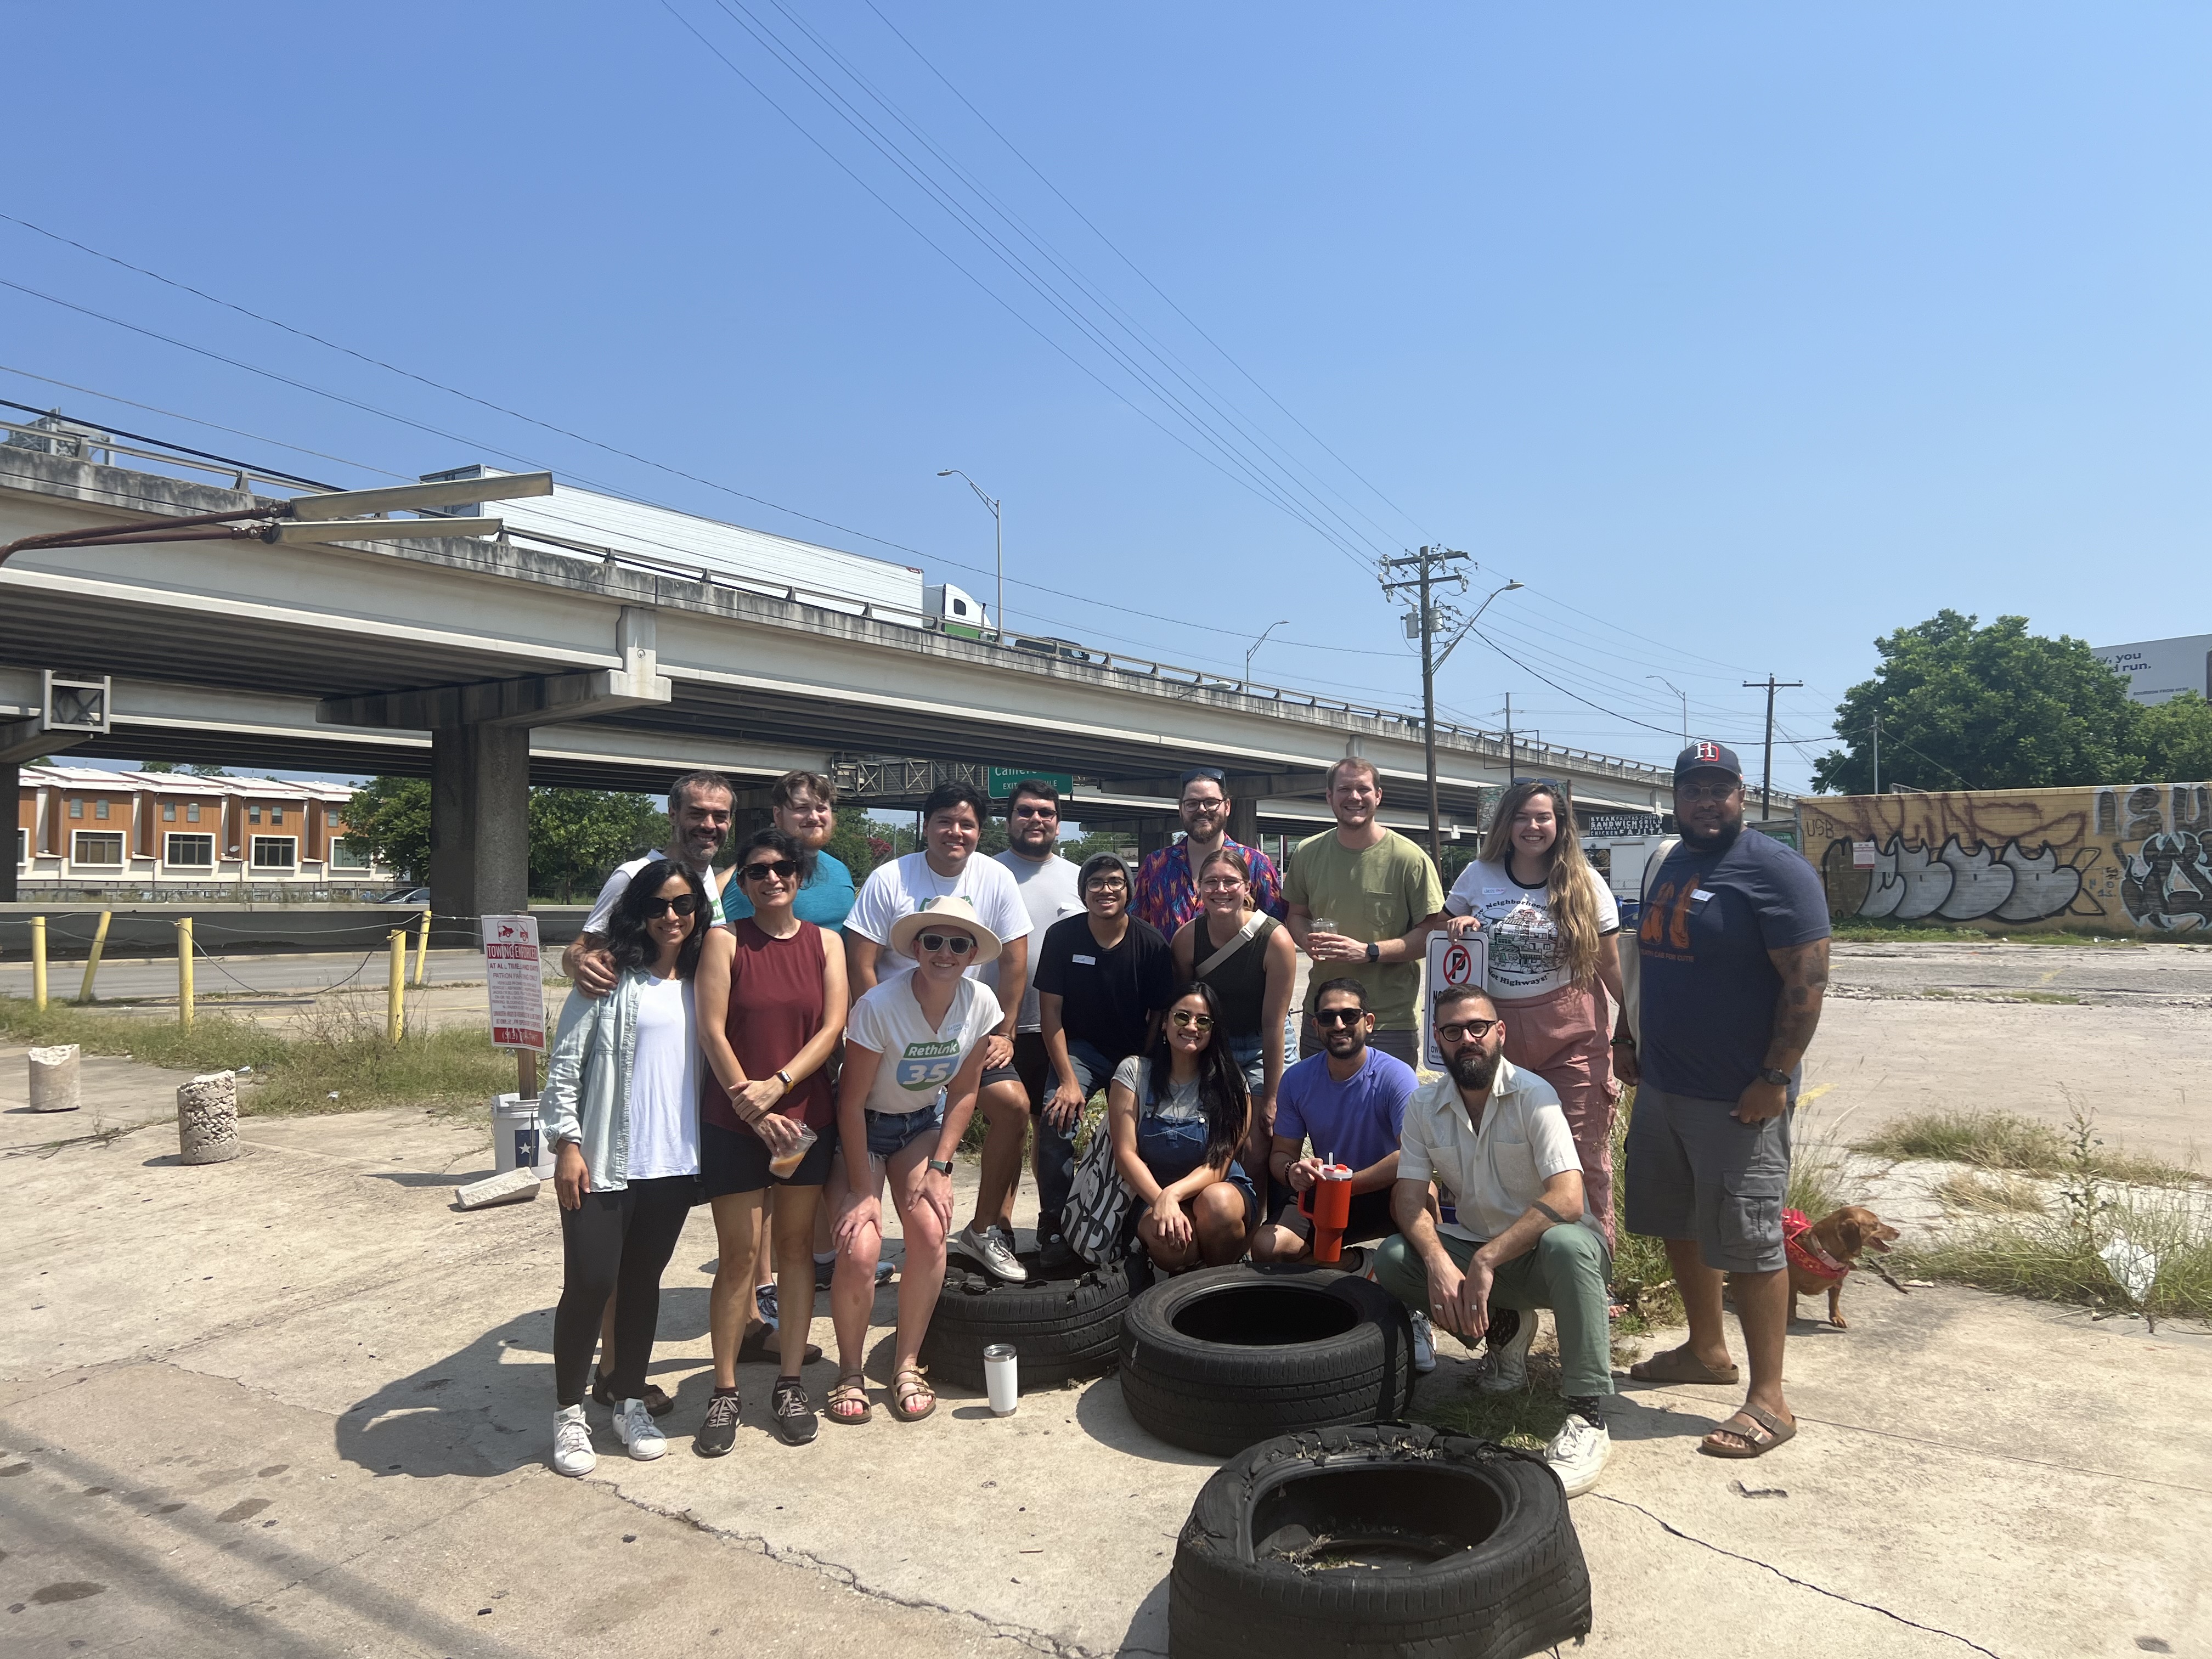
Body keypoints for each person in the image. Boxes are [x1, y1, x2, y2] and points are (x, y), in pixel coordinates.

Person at [1622, 742, 1831, 1462]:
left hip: (1741, 1097)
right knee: (1680, 1220)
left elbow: (1808, 984)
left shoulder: (1778, 872)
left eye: (1722, 788)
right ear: (1675, 797)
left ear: (1743, 795)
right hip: (1667, 1084)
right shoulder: (1667, 861)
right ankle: (1707, 1350)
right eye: (1694, 789)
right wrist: (1627, 1034)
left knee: (1749, 1238)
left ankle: (1770, 1399)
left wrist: (1774, 1077)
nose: (1707, 801)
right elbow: (1645, 957)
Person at [1375, 984, 1614, 1497]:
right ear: (1436, 1040)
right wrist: (1439, 1260)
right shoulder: (1423, 1106)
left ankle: (1587, 1416)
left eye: (1478, 1027)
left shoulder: (1534, 1095)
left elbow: (1570, 1198)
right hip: (1479, 1250)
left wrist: (1486, 1258)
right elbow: (1408, 1201)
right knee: (1396, 1259)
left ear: (1499, 1033)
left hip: (1549, 1255)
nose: (1468, 1039)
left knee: (1567, 1245)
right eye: (1454, 1031)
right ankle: (1506, 1327)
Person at [542, 861, 710, 1477]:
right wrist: (567, 1144)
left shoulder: (702, 980)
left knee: (643, 1286)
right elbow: (565, 1065)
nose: (673, 917)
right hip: (604, 1162)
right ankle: (567, 1414)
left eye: (684, 905)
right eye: (659, 906)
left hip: (672, 1163)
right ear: (638, 912)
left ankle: (630, 1401)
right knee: (590, 1284)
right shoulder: (609, 978)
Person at [692, 827, 849, 1454]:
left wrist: (780, 1084)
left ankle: (789, 1382)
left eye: (784, 868)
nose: (772, 878)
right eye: (758, 871)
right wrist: (748, 1102)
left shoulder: (827, 944)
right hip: (734, 1119)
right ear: (745, 882)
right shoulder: (724, 941)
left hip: (808, 1114)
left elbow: (833, 1024)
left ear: (800, 876)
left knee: (793, 1253)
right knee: (738, 1255)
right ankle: (725, 1390)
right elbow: (711, 1028)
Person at [844, 781, 1034, 1283]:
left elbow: (1015, 958)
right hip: (889, 1034)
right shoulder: (890, 878)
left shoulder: (995, 878)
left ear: (979, 831)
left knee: (1014, 1105)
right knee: (854, 1114)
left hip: (963, 1030)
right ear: (925, 827)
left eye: (968, 824)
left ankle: (985, 1228)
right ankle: (840, 1234)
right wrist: (888, 1027)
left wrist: (1005, 1032)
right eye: (945, 821)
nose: (956, 832)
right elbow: (861, 962)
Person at [827, 897, 1007, 1425]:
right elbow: (850, 1102)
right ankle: (850, 1370)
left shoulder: (981, 1003)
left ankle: (907, 1364)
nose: (945, 953)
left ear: (973, 953)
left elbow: (966, 1090)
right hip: (863, 1127)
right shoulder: (879, 1005)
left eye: (958, 943)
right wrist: (864, 1191)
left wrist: (941, 1169)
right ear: (916, 947)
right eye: (933, 941)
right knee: (861, 1248)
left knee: (930, 1231)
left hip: (918, 1128)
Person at [1443, 779, 1628, 1246]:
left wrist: (1638, 1027)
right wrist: (1458, 927)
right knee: (1507, 1157)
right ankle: (1517, 1261)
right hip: (1496, 1038)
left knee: (1584, 1156)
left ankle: (1594, 1267)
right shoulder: (1477, 875)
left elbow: (1610, 966)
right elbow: (1443, 946)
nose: (1533, 826)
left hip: (1571, 1036)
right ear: (1506, 824)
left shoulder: (1586, 881)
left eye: (1543, 817)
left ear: (1560, 825)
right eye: (1523, 817)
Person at [1035, 853, 1176, 1269]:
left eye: (1115, 882)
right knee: (1055, 1118)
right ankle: (1055, 1221)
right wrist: (1067, 1080)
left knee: (1141, 1130)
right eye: (1095, 882)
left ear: (1129, 890)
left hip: (1133, 1054)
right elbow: (1050, 1016)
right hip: (1080, 1049)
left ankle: (1132, 1218)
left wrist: (1144, 1066)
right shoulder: (1062, 937)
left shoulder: (1151, 943)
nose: (1106, 889)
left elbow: (1158, 1016)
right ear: (1083, 893)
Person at [1283, 758, 1447, 1065]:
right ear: (1330, 797)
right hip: (1323, 1014)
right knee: (1320, 1109)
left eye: (1363, 789)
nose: (1354, 797)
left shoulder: (1409, 858)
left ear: (1378, 796)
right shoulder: (1308, 852)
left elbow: (1431, 934)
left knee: (1388, 1112)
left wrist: (1369, 951)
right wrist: (1306, 938)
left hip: (1388, 1020)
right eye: (1344, 789)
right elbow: (1297, 914)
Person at [1250, 979, 1414, 1271]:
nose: (1339, 1025)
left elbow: (1413, 1156)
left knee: (1425, 1198)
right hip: (1327, 1195)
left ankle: (1419, 1294)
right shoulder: (1297, 1080)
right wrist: (1292, 1172)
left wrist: (1345, 1186)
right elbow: (1281, 1155)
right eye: (1327, 1017)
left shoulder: (1396, 1077)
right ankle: (1360, 1265)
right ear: (1316, 1027)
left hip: (1383, 1191)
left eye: (1350, 1015)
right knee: (1267, 1249)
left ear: (1369, 1022)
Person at [989, 780, 1087, 1265]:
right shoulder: (984, 873)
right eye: (1025, 811)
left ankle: (1054, 1222)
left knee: (1051, 1132)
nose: (1036, 819)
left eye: (1046, 812)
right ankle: (998, 1226)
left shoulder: (1078, 879)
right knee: (1005, 1130)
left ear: (1058, 822)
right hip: (996, 1028)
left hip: (1057, 1029)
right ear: (1007, 819)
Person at [1107, 981, 1256, 1272]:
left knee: (1218, 1206)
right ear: (1164, 1023)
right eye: (1182, 1017)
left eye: (1203, 1021)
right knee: (1168, 1240)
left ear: (1213, 1030)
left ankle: (1221, 1277)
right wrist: (1162, 1201)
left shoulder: (1232, 1084)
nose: (1192, 1026)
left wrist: (1172, 1195)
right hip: (1151, 1194)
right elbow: (1125, 1155)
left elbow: (1219, 1164)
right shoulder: (1134, 1072)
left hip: (1215, 1190)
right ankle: (1184, 1282)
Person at [1169, 847, 1295, 1181]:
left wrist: (1271, 1097)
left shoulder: (1275, 940)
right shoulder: (1186, 939)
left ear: (1247, 887)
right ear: (1199, 888)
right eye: (1211, 882)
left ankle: (1259, 1225)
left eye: (1230, 881)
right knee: (1206, 1140)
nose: (1220, 890)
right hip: (1212, 1044)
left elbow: (1274, 1024)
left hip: (1261, 1045)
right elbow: (1182, 1011)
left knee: (1257, 1148)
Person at [564, 770, 734, 994]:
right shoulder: (633, 875)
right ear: (673, 815)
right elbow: (578, 951)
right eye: (696, 813)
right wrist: (581, 963)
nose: (709, 825)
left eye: (720, 816)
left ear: (730, 821)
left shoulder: (710, 876)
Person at [1135, 765, 1286, 935]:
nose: (1201, 809)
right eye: (1192, 804)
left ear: (1227, 807)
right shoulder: (1156, 864)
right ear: (1181, 810)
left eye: (1211, 802)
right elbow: (1137, 928)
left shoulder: (1256, 864)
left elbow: (1275, 932)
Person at [722, 770, 857, 932]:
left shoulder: (840, 870)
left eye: (821, 808)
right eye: (802, 808)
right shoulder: (757, 876)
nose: (814, 817)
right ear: (778, 816)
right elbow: (741, 946)